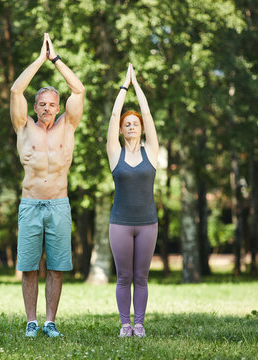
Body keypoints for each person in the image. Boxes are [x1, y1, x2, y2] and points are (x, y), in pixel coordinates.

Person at [10, 33, 85, 338]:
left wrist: (55, 59)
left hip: (58, 204)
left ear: (58, 106)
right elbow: (16, 89)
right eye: (41, 104)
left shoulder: (68, 125)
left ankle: (50, 321)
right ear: (35, 106)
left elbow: (78, 88)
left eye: (51, 104)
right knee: (29, 267)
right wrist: (39, 60)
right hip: (30, 204)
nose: (46, 108)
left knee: (56, 267)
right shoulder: (23, 126)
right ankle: (31, 321)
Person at [106, 63, 159, 338]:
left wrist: (137, 86)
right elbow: (115, 114)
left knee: (141, 278)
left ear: (140, 129)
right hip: (121, 224)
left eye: (134, 123)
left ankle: (139, 324)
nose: (130, 125)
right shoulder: (115, 154)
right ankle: (125, 324)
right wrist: (123, 87)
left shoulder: (152, 151)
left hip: (148, 223)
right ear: (122, 129)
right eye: (126, 124)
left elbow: (147, 114)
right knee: (123, 277)